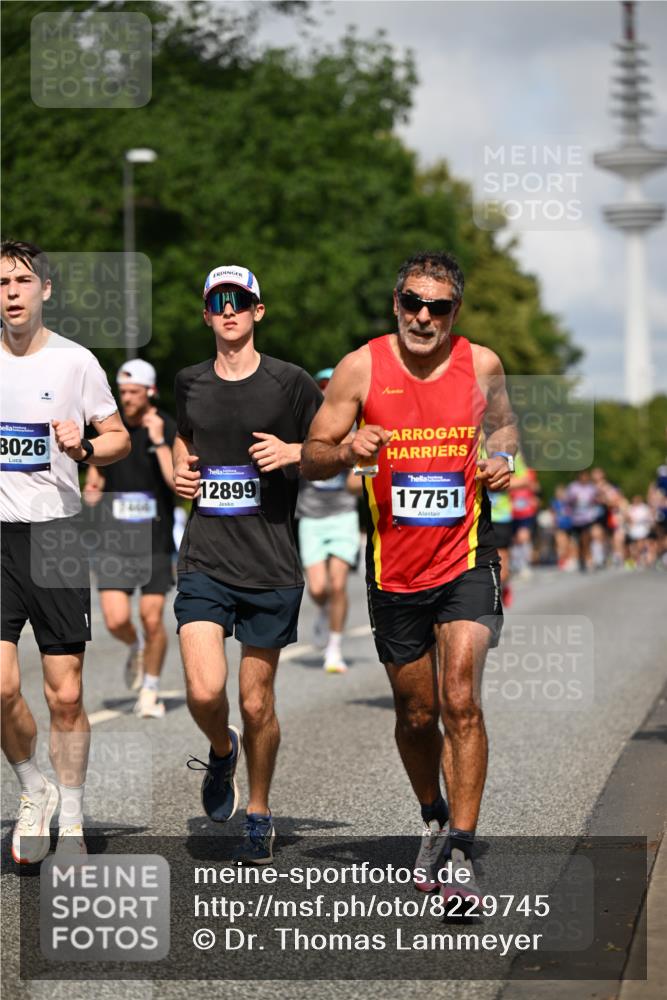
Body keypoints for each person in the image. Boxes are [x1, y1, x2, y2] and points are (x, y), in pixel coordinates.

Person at [302, 250, 517, 897]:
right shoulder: (360, 368)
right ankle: (432, 818)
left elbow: (503, 422)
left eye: (438, 306)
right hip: (394, 569)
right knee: (417, 713)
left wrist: (501, 455)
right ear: (396, 305)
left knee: (460, 700)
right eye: (412, 304)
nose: (424, 316)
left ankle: (459, 851)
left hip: (466, 557)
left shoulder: (480, 363)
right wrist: (345, 449)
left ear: (454, 312)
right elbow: (311, 456)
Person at [173, 264, 321, 864]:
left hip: (270, 564)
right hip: (205, 556)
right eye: (218, 302)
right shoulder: (188, 381)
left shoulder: (291, 383)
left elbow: (336, 449)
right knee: (205, 690)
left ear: (258, 311)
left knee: (257, 702)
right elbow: (186, 439)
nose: (229, 310)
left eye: (240, 301)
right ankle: (220, 749)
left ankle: (258, 809)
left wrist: (294, 452)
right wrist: (182, 469)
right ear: (207, 314)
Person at [0, 240, 130, 862]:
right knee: (0, 688)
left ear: (45, 290)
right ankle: (33, 791)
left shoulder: (76, 363)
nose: (12, 292)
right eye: (2, 283)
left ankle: (72, 817)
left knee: (66, 693)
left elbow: (120, 439)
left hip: (56, 535)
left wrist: (83, 448)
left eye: (23, 281)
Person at [84, 359, 177, 718]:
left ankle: (151, 690)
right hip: (114, 541)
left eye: (133, 392)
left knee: (153, 618)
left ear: (150, 392)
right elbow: (97, 470)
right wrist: (94, 487)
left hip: (154, 541)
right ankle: (135, 646)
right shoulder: (113, 428)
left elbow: (176, 484)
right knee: (114, 619)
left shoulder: (166, 427)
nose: (126, 399)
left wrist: (158, 442)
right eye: (122, 392)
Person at [296, 368, 361, 673]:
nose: (326, 392)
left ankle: (334, 649)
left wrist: (350, 456)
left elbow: (356, 486)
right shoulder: (306, 430)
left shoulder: (356, 431)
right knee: (318, 588)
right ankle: (322, 611)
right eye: (322, 387)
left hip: (342, 515)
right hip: (310, 517)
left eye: (331, 387)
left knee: (338, 585)